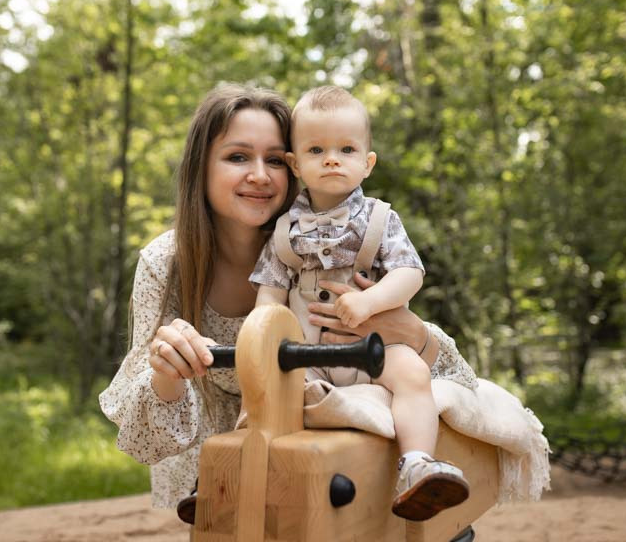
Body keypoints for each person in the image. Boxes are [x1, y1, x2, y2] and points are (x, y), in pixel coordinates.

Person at [98, 83, 478, 524]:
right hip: (226, 444)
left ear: (292, 167)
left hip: (327, 432)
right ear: (201, 167)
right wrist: (168, 369)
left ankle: (415, 467)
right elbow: (149, 437)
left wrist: (410, 333)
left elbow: (456, 379)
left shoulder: (328, 237)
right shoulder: (169, 263)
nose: (260, 175)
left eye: (275, 160)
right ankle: (224, 475)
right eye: (238, 157)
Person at [250, 85, 469, 521]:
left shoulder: (380, 218)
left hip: (373, 346)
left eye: (346, 149)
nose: (332, 159)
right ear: (295, 164)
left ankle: (417, 464)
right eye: (316, 149)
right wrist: (261, 336)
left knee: (412, 374)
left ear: (367, 163)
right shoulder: (284, 231)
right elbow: (270, 292)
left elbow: (409, 274)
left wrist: (371, 302)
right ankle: (244, 464)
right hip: (307, 350)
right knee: (264, 387)